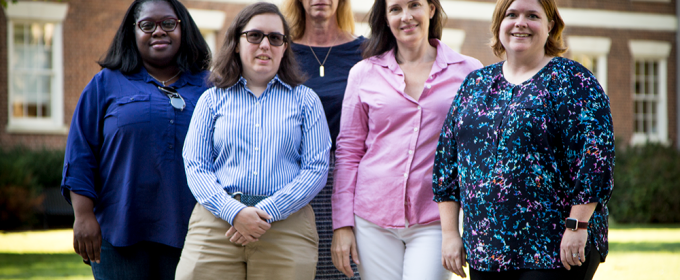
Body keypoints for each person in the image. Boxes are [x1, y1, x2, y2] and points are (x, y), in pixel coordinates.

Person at [432, 0, 615, 279]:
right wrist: (449, 235)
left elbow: (596, 159)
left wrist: (577, 226)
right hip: (485, 251)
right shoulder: (475, 85)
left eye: (532, 15)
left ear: (550, 25)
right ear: (499, 24)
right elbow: (447, 163)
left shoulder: (574, 81)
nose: (520, 23)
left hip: (555, 250)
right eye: (512, 14)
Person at [174, 2, 332, 280]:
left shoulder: (306, 100)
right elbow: (196, 165)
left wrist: (266, 211)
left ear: (285, 47)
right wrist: (233, 212)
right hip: (217, 224)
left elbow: (316, 168)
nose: (265, 45)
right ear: (236, 43)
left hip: (286, 227)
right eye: (254, 35)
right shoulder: (211, 100)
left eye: (275, 38)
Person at [330, 0, 483, 278]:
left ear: (432, 9)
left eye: (414, 5)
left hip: (436, 220)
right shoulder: (364, 73)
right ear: (386, 18)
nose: (406, 16)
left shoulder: (468, 71)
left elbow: (475, 154)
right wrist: (342, 225)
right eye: (396, 9)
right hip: (371, 219)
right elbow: (349, 151)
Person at [60, 0, 211, 279]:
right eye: (147, 25)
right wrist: (83, 216)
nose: (159, 32)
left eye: (168, 24)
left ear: (183, 28)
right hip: (119, 234)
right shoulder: (105, 83)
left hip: (194, 232)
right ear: (133, 31)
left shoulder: (209, 87)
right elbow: (80, 154)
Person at [281, 0, 365, 278]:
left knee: (346, 270)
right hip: (291, 180)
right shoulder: (279, 49)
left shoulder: (368, 52)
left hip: (351, 181)